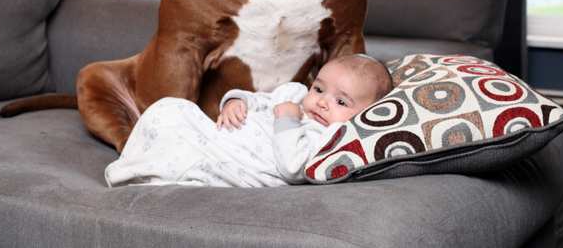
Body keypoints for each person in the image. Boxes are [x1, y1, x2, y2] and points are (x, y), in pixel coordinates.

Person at [104, 54, 393, 188]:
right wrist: (235, 101)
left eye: (341, 102)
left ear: (365, 114)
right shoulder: (294, 93)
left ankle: (131, 175)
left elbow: (293, 167)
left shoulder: (330, 138)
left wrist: (287, 122)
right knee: (168, 109)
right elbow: (259, 98)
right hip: (217, 133)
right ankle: (136, 156)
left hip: (233, 164)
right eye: (319, 88)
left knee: (187, 164)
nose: (321, 101)